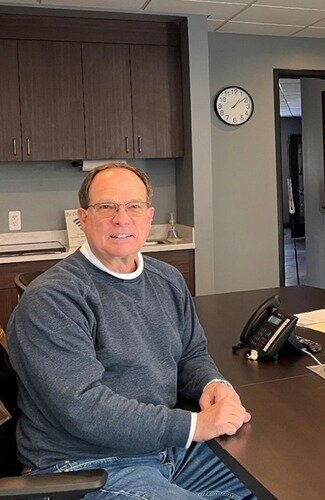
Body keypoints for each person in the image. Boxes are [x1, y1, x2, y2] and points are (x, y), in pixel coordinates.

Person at [7, 163, 252, 498]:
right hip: (88, 465)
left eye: (134, 206)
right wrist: (194, 425)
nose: (121, 218)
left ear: (149, 217)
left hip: (166, 450)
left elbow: (191, 354)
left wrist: (213, 384)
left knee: (280, 482)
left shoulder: (167, 279)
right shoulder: (52, 299)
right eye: (106, 206)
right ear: (83, 218)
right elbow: (84, 408)